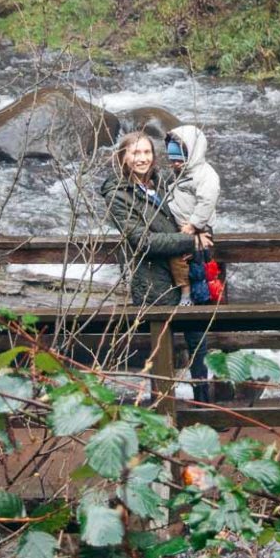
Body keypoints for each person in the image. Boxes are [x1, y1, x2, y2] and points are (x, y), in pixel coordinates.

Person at [101, 131, 214, 398]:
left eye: (147, 153)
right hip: (154, 282)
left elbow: (190, 211)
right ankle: (164, 414)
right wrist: (189, 242)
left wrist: (200, 229)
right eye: (135, 153)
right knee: (162, 352)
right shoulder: (117, 196)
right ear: (123, 157)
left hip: (188, 274)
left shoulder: (163, 181)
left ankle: (205, 406)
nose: (142, 159)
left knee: (199, 343)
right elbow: (144, 241)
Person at [163, 125, 221, 306]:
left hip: (198, 229)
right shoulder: (180, 173)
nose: (175, 164)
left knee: (197, 266)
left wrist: (194, 225)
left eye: (180, 159)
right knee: (180, 262)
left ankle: (201, 298)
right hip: (182, 227)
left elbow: (207, 201)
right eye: (172, 160)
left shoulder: (205, 175)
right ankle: (186, 292)